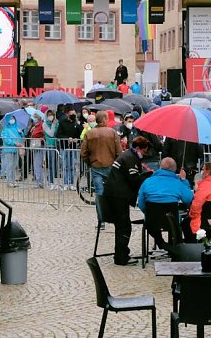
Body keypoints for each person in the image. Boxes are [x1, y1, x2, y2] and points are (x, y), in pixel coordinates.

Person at [102, 136, 151, 265]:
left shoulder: (128, 155)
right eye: (144, 151)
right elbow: (133, 179)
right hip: (118, 195)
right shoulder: (130, 158)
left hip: (113, 192)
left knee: (121, 225)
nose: (144, 154)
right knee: (124, 226)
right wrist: (147, 176)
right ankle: (121, 256)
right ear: (138, 148)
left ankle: (121, 253)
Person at [137, 157, 193, 249]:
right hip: (172, 221)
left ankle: (161, 243)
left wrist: (147, 213)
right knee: (175, 224)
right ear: (174, 169)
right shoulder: (177, 183)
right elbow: (188, 199)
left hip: (151, 221)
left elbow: (141, 203)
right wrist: (184, 180)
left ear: (160, 167)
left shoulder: (147, 182)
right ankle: (174, 247)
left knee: (152, 225)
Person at [81, 111, 123, 223]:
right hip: (110, 166)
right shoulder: (112, 132)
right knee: (113, 192)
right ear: (104, 120)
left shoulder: (89, 133)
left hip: (96, 166)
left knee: (99, 194)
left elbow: (83, 152)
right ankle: (114, 217)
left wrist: (89, 162)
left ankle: (101, 220)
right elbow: (119, 152)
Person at [57, 106, 83, 191]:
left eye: (74, 114)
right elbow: (59, 134)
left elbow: (80, 133)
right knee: (65, 165)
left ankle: (71, 183)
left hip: (73, 147)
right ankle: (65, 183)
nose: (73, 116)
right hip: (64, 147)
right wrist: (67, 138)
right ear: (67, 114)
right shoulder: (62, 122)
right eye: (71, 114)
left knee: (72, 165)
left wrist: (76, 138)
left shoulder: (76, 123)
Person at [0, 115, 24, 187]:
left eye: (13, 118)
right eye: (10, 118)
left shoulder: (17, 127)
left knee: (14, 166)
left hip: (16, 149)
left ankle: (13, 181)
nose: (12, 120)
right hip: (9, 149)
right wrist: (14, 143)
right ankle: (9, 181)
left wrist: (21, 133)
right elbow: (5, 139)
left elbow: (21, 136)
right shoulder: (5, 129)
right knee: (9, 165)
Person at [39, 109, 59, 189]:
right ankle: (51, 181)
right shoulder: (44, 124)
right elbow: (51, 133)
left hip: (57, 145)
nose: (51, 116)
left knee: (56, 165)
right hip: (49, 145)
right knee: (51, 164)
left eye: (52, 114)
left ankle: (55, 181)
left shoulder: (57, 123)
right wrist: (53, 125)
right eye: (49, 115)